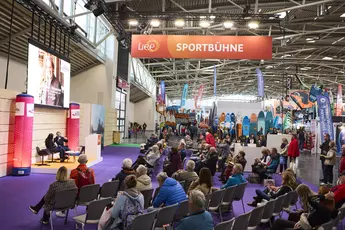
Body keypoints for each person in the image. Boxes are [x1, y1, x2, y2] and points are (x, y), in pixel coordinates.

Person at [271, 185, 337, 230]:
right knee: (279, 221)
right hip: (304, 225)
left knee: (278, 224)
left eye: (320, 193)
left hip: (303, 227)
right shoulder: (330, 211)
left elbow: (310, 198)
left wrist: (323, 196)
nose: (318, 194)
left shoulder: (322, 209)